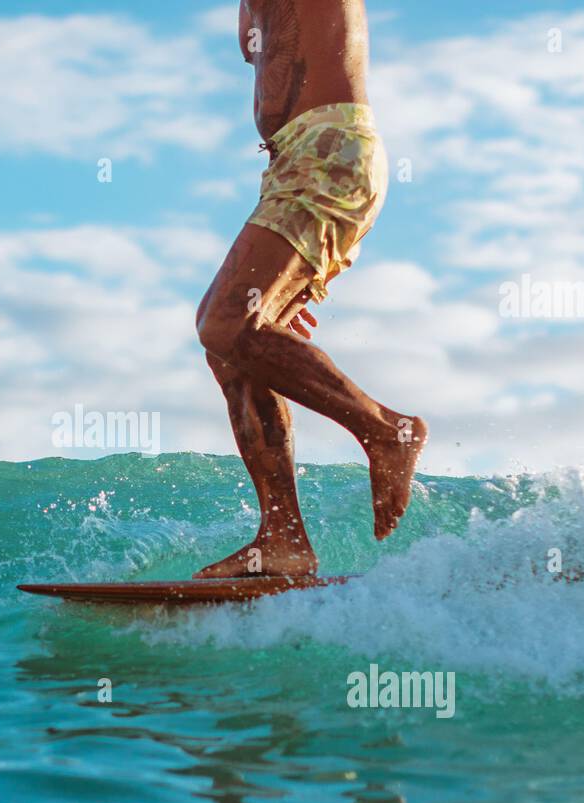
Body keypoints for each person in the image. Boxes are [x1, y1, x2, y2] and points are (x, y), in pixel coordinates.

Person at [194, 0, 427, 579]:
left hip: (330, 151)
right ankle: (283, 541)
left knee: (223, 323)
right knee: (231, 346)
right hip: (294, 164)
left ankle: (385, 430)